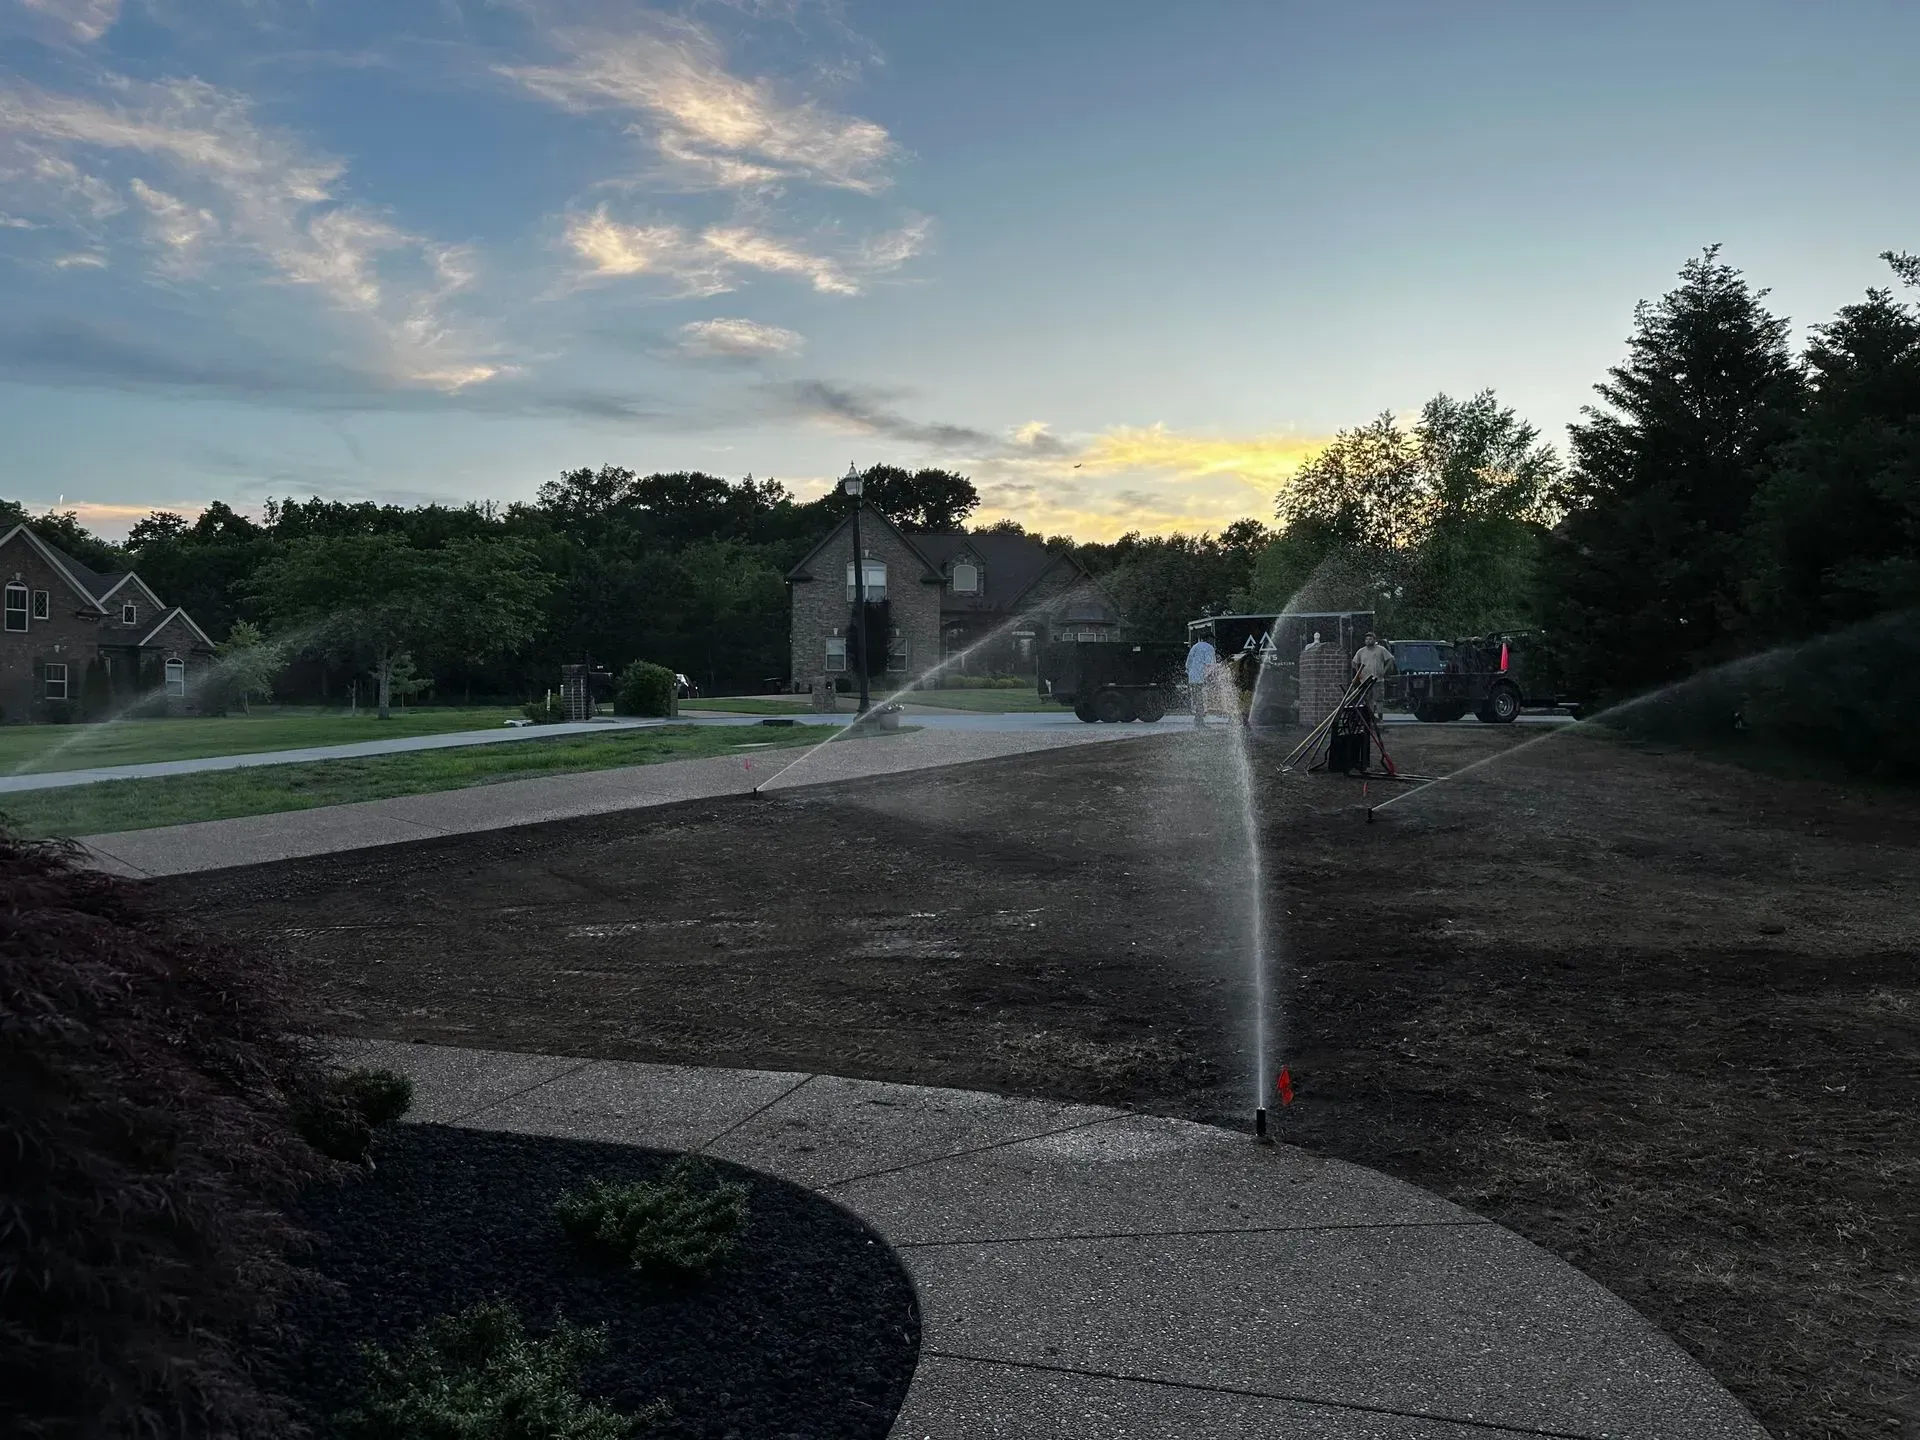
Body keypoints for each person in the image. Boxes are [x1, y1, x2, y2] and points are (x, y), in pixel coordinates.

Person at [1352, 630, 1395, 720]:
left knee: (1379, 700)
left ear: (1374, 640)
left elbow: (1390, 659)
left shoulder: (1381, 650)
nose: (1368, 641)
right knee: (1367, 700)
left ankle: (1380, 718)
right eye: (1367, 639)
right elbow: (1354, 662)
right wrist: (1358, 673)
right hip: (1365, 681)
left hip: (1378, 680)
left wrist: (1384, 670)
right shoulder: (1361, 651)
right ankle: (1370, 718)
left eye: (1370, 639)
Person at [1185, 633, 1217, 726]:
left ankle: (1198, 720)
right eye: (1212, 639)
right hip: (1201, 678)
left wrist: (1190, 673)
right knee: (1202, 700)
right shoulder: (1209, 647)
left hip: (1192, 678)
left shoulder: (1195, 646)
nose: (1213, 641)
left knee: (1198, 700)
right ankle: (1199, 722)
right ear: (1208, 638)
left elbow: (1188, 663)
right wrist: (1211, 676)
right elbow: (1209, 664)